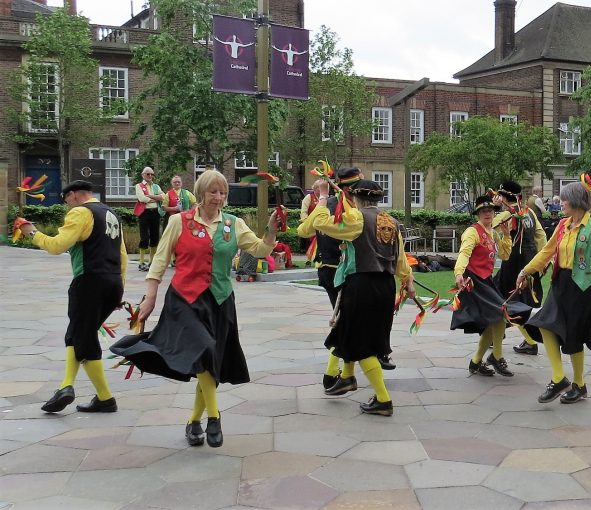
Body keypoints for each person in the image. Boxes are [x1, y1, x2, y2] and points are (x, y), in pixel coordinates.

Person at [111, 170, 283, 447]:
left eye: (223, 193)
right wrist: (150, 297)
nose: (218, 197)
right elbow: (160, 260)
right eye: (213, 192)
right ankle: (214, 417)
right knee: (203, 350)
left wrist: (272, 230)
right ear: (201, 193)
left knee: (211, 361)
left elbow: (261, 250)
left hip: (220, 300)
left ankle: (194, 421)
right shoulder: (180, 221)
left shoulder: (233, 224)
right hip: (185, 299)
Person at [18, 181, 128, 414]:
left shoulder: (81, 212)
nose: (66, 205)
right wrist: (119, 290)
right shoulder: (112, 213)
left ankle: (104, 398)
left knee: (84, 340)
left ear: (75, 196)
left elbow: (57, 246)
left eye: (66, 200)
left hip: (89, 282)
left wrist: (32, 233)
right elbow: (122, 255)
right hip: (113, 283)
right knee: (77, 335)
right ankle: (67, 386)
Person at [311, 180, 415, 415]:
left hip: (362, 286)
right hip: (385, 286)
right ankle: (346, 377)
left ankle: (383, 399)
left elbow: (320, 223)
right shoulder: (392, 222)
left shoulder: (357, 219)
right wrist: (407, 281)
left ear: (355, 199)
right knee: (352, 334)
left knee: (362, 344)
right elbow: (400, 260)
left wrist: (322, 198)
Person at [518, 182, 591, 404]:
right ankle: (559, 378)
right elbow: (547, 251)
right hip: (561, 282)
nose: (561, 202)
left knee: (574, 335)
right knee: (544, 323)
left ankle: (580, 385)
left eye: (564, 199)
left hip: (585, 286)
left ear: (576, 201)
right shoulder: (563, 225)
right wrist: (526, 271)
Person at [297, 168, 365, 393]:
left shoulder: (328, 205)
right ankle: (333, 373)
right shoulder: (354, 209)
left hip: (331, 271)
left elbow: (303, 229)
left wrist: (322, 203)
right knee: (348, 324)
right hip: (343, 272)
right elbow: (305, 229)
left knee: (349, 323)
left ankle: (344, 374)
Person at [452, 195, 531, 376]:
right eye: (482, 211)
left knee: (495, 319)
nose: (487, 214)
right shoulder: (472, 232)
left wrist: (505, 234)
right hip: (473, 281)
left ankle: (476, 362)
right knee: (501, 313)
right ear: (478, 214)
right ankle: (496, 356)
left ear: (494, 213)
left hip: (486, 280)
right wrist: (458, 274)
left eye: (490, 210)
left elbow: (504, 255)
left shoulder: (493, 233)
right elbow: (464, 253)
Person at [491, 181, 547, 356]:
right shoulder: (529, 212)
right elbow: (540, 235)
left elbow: (488, 225)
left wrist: (493, 207)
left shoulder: (508, 214)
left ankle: (528, 341)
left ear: (503, 197)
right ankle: (499, 335)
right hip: (530, 262)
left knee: (505, 301)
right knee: (514, 301)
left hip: (514, 264)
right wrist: (543, 262)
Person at [134, 166, 164, 271]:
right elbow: (142, 198)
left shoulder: (156, 186)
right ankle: (141, 262)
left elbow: (163, 197)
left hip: (155, 213)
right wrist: (156, 198)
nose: (150, 176)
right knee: (144, 237)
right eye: (148, 174)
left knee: (155, 237)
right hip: (144, 213)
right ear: (143, 175)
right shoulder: (139, 186)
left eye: (152, 174)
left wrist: (149, 197)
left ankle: (152, 262)